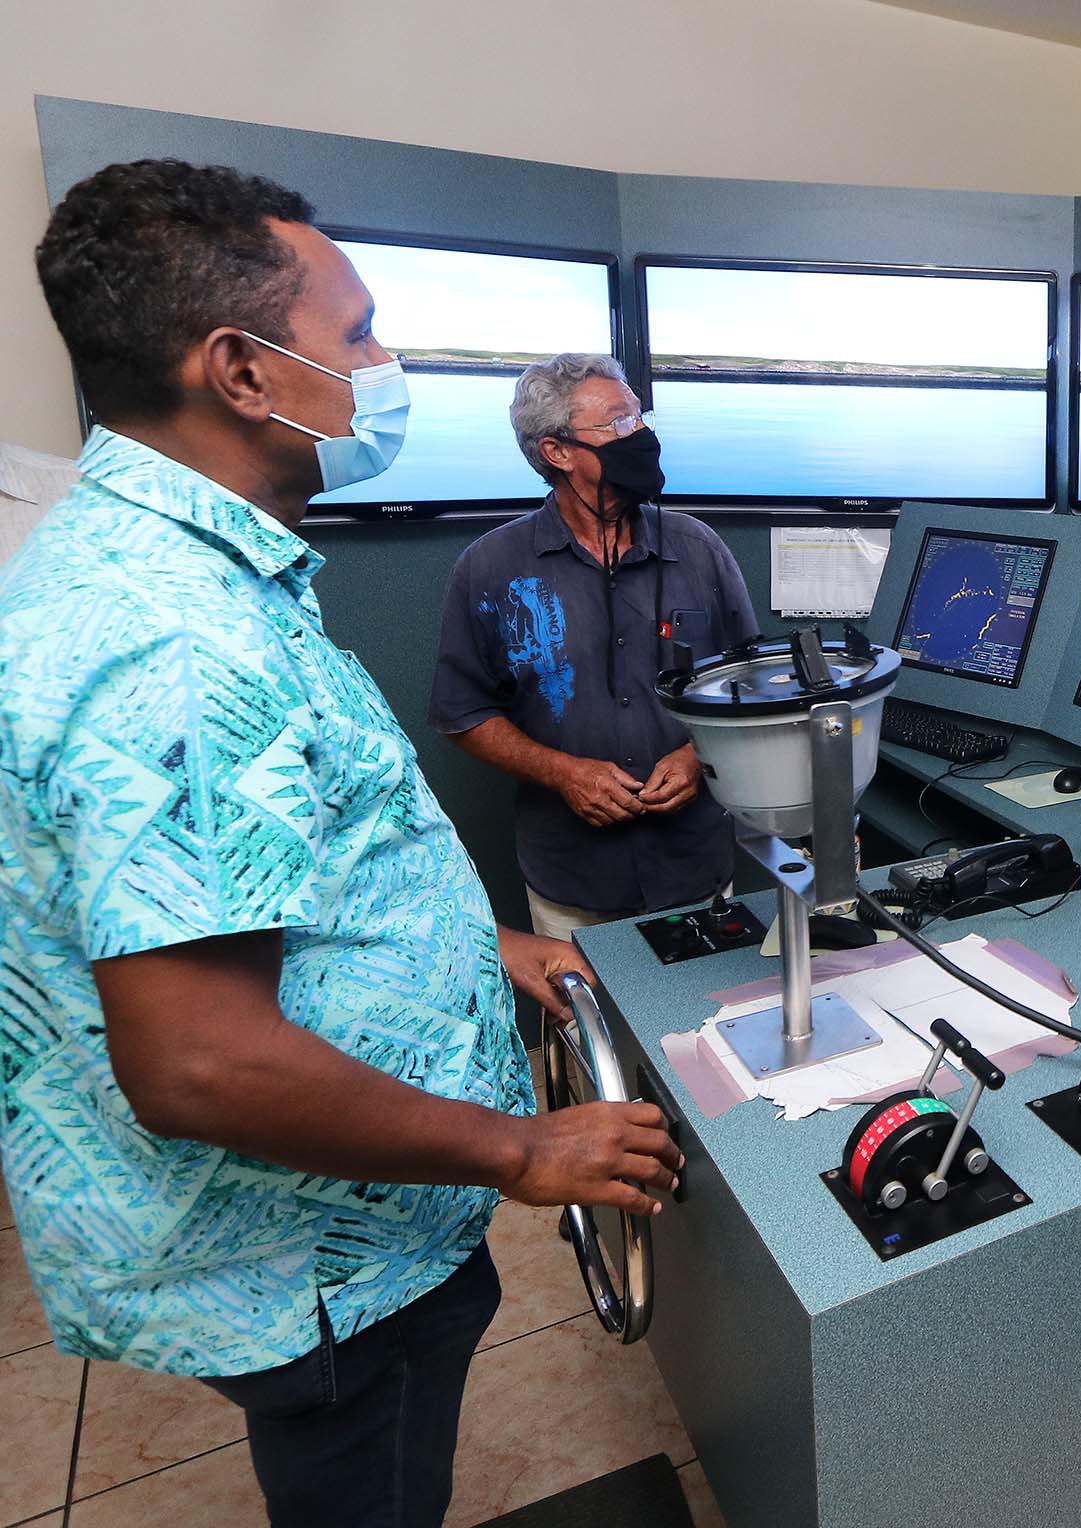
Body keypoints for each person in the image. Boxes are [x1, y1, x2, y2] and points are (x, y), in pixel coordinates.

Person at [2, 158, 683, 1528]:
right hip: (316, 1268)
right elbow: (198, 1057)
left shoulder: (198, 575)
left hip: (350, 1244)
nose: (386, 364)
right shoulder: (169, 636)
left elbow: (296, 861)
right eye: (359, 332)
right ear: (242, 372)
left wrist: (481, 945)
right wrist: (522, 1151)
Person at [430, 352, 759, 940]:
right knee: (589, 1034)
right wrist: (561, 773)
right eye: (617, 424)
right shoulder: (490, 568)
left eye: (639, 417)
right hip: (572, 882)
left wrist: (697, 757)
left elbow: (749, 677)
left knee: (708, 1027)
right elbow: (463, 714)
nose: (640, 436)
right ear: (556, 451)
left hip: (696, 867)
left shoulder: (699, 548)